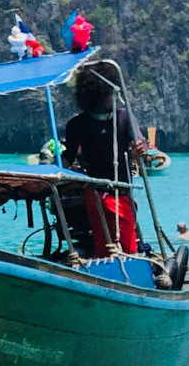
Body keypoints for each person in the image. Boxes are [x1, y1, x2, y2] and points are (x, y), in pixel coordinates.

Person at [59, 62, 146, 253]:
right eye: (109, 93)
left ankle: (129, 265)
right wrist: (54, 173)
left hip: (122, 190)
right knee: (104, 242)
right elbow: (68, 156)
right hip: (95, 190)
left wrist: (139, 150)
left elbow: (140, 143)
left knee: (127, 244)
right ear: (98, 95)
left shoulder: (124, 118)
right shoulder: (78, 124)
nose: (114, 97)